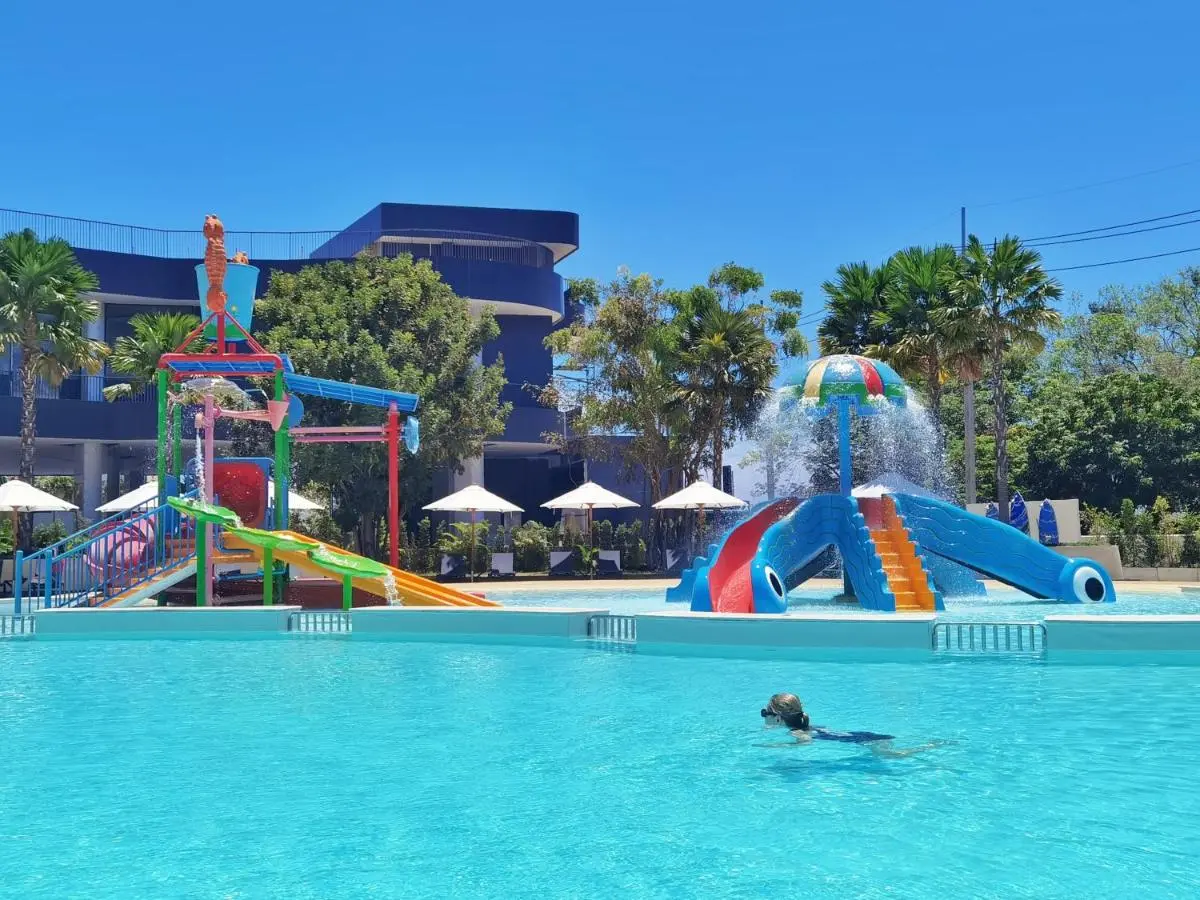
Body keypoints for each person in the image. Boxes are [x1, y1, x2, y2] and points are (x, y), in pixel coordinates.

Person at [760, 693, 943, 759]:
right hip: (863, 736)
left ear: (777, 717)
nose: (764, 716)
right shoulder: (808, 725)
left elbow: (805, 743)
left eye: (765, 713)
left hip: (863, 741)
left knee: (896, 756)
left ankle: (930, 746)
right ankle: (932, 744)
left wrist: (777, 745)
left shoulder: (797, 732)